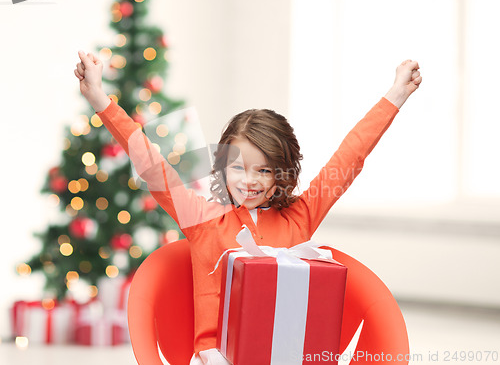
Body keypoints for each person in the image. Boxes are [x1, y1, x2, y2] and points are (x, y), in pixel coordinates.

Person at [74, 51, 421, 364]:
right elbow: (150, 161)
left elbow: (349, 158)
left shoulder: (299, 216)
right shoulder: (203, 219)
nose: (249, 181)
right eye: (238, 167)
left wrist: (396, 95)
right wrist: (99, 98)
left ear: (282, 172)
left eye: (264, 170)